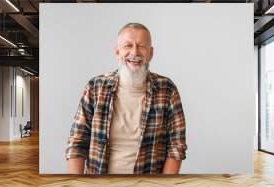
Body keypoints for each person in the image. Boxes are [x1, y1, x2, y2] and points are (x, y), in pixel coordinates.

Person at [66, 22, 187, 174]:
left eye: (142, 46)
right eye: (128, 45)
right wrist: (75, 186)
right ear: (117, 52)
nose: (135, 52)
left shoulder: (167, 89)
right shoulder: (95, 87)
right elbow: (77, 141)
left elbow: (176, 146)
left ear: (151, 53)